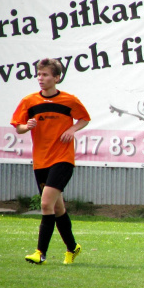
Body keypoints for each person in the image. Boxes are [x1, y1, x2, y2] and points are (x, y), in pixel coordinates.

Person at [10, 58, 91, 265]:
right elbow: (18, 127)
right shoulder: (30, 101)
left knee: (46, 204)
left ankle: (40, 253)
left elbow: (84, 118)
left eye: (45, 75)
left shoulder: (69, 100)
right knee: (57, 208)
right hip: (41, 161)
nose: (41, 78)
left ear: (56, 78)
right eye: (39, 74)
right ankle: (72, 248)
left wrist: (72, 130)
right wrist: (25, 127)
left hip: (62, 159)